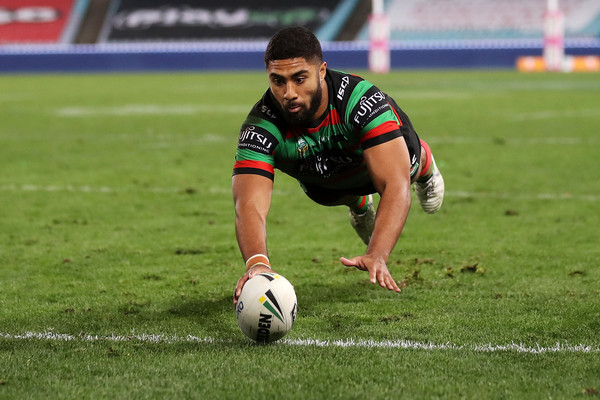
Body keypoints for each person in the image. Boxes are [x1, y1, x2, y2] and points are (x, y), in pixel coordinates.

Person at [232, 26, 444, 305]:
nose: (289, 93)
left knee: (408, 170)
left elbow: (394, 184)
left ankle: (425, 164)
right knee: (322, 193)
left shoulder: (361, 100)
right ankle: (358, 204)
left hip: (382, 158)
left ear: (321, 71)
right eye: (278, 81)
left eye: (299, 78)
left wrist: (377, 253)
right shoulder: (260, 126)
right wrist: (257, 263)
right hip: (325, 172)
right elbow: (249, 204)